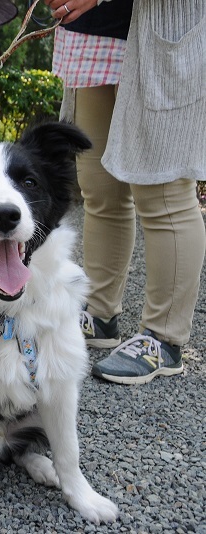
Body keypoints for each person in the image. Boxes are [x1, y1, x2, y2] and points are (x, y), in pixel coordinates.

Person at [45, 0, 206, 385]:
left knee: (163, 195)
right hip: (93, 36)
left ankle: (163, 340)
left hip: (160, 33)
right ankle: (100, 315)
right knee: (100, 190)